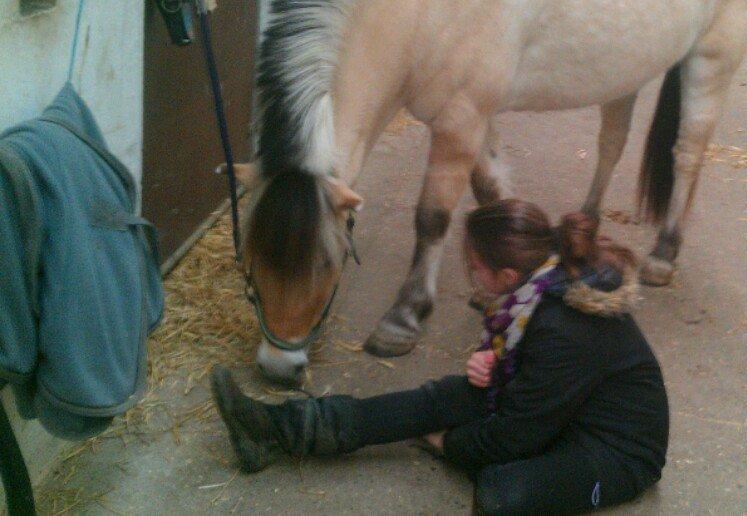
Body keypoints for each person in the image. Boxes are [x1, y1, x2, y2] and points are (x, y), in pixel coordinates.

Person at [211, 199, 669, 514]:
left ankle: (468, 453)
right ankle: (277, 430)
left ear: (507, 274)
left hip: (616, 453)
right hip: (560, 407)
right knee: (437, 399)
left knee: (500, 491)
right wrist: (487, 360)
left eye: (474, 267)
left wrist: (447, 443)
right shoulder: (534, 292)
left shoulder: (561, 326)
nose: (469, 274)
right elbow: (518, 359)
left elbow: (516, 436)